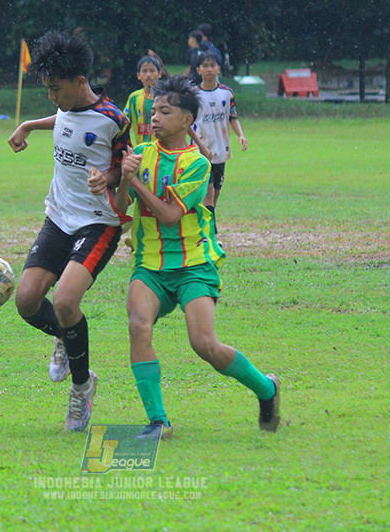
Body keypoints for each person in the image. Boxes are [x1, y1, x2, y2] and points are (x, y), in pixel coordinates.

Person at [114, 75, 280, 438]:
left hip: (193, 266)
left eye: (165, 111)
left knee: (204, 344)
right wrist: (124, 179)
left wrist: (136, 181)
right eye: (154, 111)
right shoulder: (142, 154)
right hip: (149, 265)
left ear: (188, 120)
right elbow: (120, 207)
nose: (154, 117)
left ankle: (267, 389)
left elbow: (171, 215)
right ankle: (159, 421)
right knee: (138, 326)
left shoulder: (197, 165)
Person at [6, 28, 130, 432]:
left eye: (56, 89)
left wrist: (108, 178)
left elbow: (129, 167)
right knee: (26, 301)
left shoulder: (115, 120)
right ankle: (64, 335)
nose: (51, 97)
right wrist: (28, 124)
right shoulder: (63, 107)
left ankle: (82, 389)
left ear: (81, 82)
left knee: (63, 301)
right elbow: (62, 119)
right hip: (58, 216)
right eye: (46, 89)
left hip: (98, 223)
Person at [194, 51, 247, 237]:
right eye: (205, 66)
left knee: (215, 194)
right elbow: (187, 123)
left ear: (218, 68)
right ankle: (211, 234)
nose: (209, 69)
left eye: (212, 65)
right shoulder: (194, 95)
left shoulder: (226, 92)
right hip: (201, 151)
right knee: (207, 192)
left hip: (221, 149)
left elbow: (233, 117)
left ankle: (204, 224)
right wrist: (198, 145)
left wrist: (240, 135)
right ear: (198, 70)